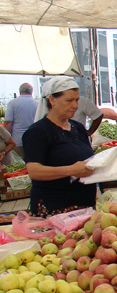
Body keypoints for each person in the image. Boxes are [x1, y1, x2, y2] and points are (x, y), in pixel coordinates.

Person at [22, 77, 95, 216]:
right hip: (54, 208)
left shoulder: (78, 128)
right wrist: (71, 170)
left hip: (84, 205)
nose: (75, 105)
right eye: (69, 100)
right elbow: (34, 171)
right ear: (52, 100)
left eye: (77, 100)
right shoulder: (37, 132)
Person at [3, 82, 37, 157]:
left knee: (20, 165)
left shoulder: (12, 103)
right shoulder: (37, 103)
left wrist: (7, 141)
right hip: (34, 140)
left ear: (20, 91)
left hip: (18, 140)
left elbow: (8, 123)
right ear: (31, 91)